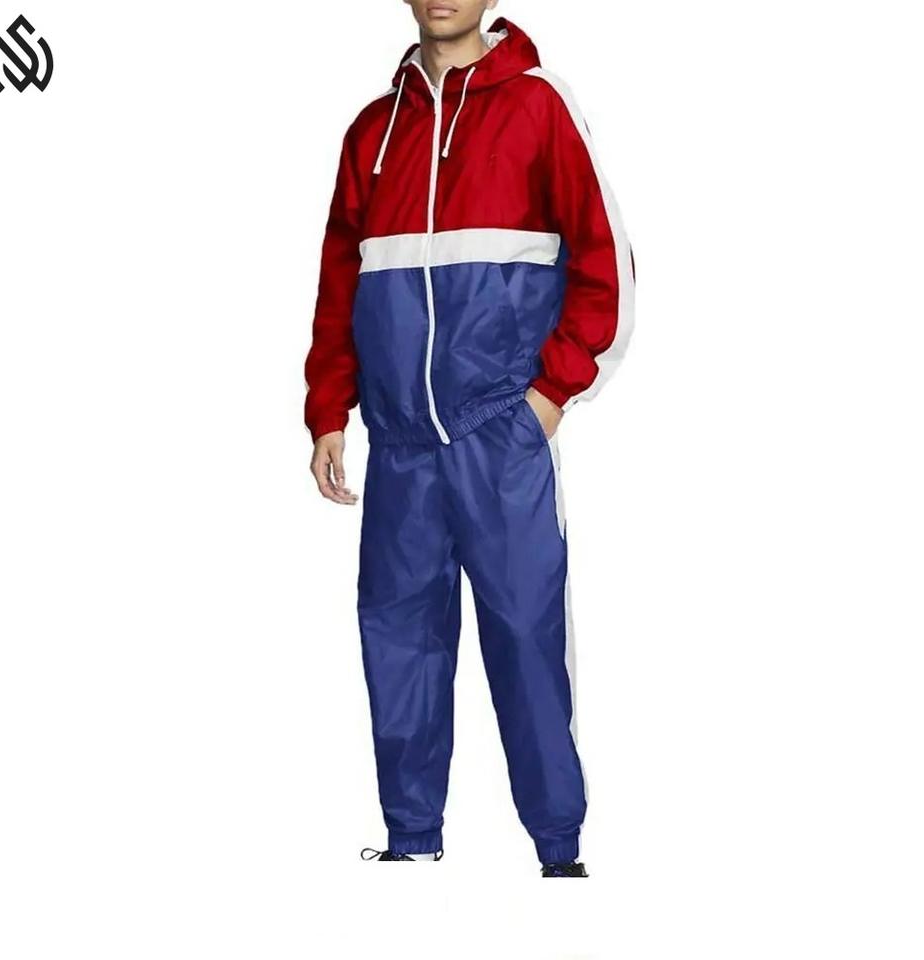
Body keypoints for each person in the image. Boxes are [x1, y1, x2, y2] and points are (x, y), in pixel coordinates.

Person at [304, 0, 634, 878]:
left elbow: (606, 264)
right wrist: (329, 409)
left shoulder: (538, 106)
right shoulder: (372, 133)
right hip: (399, 446)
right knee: (400, 645)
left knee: (525, 643)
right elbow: (341, 282)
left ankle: (559, 856)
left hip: (500, 438)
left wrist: (548, 399)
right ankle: (411, 844)